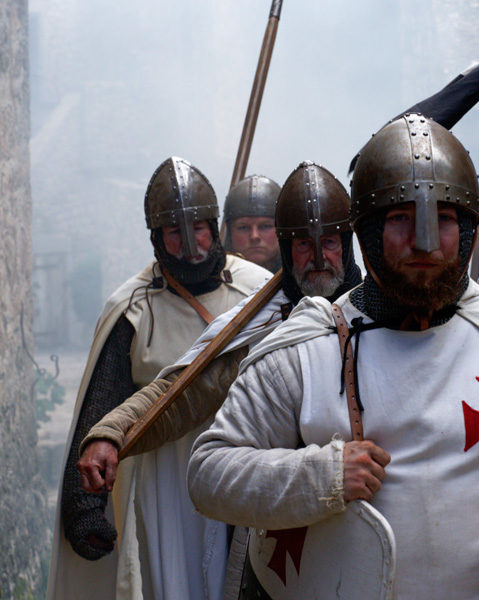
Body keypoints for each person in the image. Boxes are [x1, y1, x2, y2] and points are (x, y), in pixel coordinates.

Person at [187, 116, 479, 599]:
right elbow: (211, 472)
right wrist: (320, 476)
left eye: (444, 219)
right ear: (367, 231)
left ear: (467, 229)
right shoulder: (308, 349)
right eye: (401, 218)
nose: (424, 241)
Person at [76, 160, 362, 598]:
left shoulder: (382, 316)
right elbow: (183, 390)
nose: (318, 258)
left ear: (348, 243)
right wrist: (111, 432)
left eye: (329, 242)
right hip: (276, 514)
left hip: (369, 502)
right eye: (304, 244)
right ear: (289, 250)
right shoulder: (262, 322)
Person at [47, 157, 271, 600]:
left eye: (199, 229)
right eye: (175, 232)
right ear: (156, 238)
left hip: (250, 460)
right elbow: (101, 408)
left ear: (214, 225)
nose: (191, 245)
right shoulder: (133, 308)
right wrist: (85, 508)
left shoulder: (259, 291)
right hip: (166, 480)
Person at [222, 174, 282, 272]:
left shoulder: (304, 283)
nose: (254, 236)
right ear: (230, 234)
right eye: (244, 228)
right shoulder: (212, 285)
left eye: (265, 226)